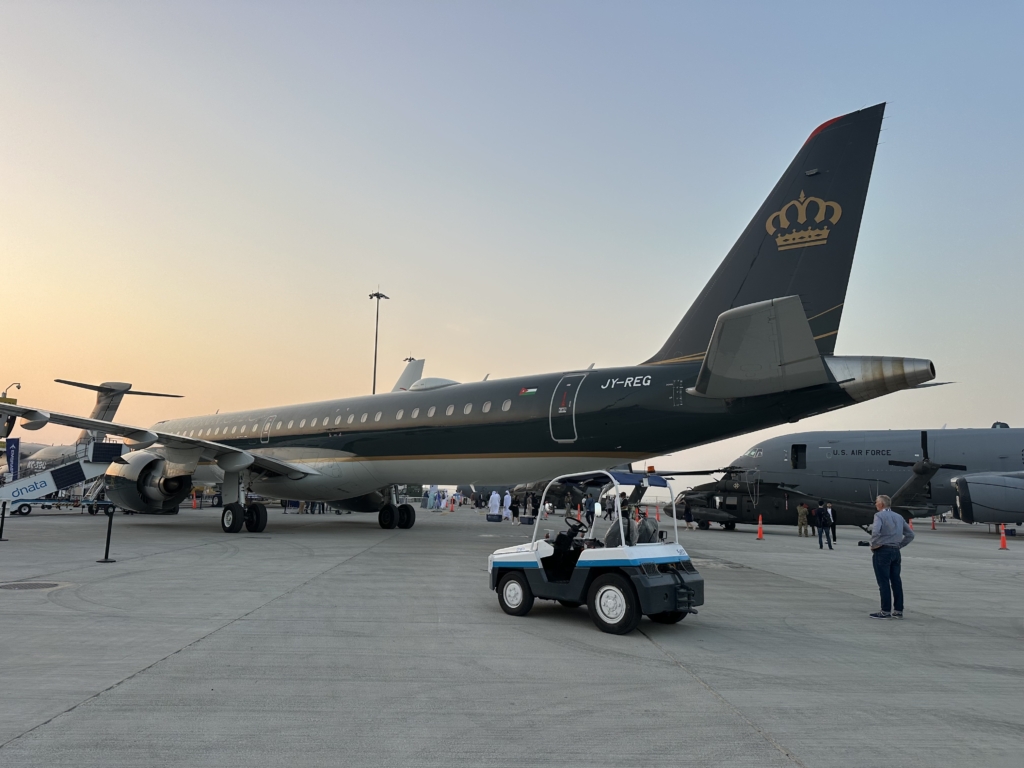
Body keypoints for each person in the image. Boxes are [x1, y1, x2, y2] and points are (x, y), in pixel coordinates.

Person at [869, 494, 914, 619]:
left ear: (881, 504)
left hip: (883, 550)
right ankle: (898, 610)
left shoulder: (879, 516)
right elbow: (910, 534)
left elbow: (876, 531)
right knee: (896, 581)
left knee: (883, 582)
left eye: (876, 502)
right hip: (895, 551)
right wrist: (899, 545)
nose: (875, 504)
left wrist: (873, 545)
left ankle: (885, 610)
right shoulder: (898, 517)